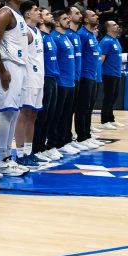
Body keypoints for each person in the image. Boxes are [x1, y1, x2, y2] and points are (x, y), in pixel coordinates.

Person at [0, 0, 29, 176]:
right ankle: (2, 160)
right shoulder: (5, 14)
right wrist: (2, 70)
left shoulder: (18, 15)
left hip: (19, 67)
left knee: (14, 113)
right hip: (9, 66)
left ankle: (8, 157)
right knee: (7, 112)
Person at [14, 0, 47, 168]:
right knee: (24, 114)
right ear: (28, 14)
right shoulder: (25, 32)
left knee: (33, 115)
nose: (39, 13)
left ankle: (29, 151)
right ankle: (20, 154)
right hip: (28, 78)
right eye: (36, 10)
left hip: (39, 77)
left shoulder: (37, 31)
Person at [33, 10, 62, 163]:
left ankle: (42, 147)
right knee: (41, 117)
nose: (51, 16)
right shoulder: (40, 36)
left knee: (50, 115)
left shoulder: (49, 36)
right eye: (47, 14)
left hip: (53, 78)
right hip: (44, 78)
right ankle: (36, 148)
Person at [50, 10, 79, 155]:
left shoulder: (66, 36)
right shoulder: (54, 37)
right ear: (56, 22)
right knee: (58, 115)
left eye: (68, 18)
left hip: (70, 82)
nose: (68, 20)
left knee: (67, 114)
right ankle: (55, 143)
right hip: (61, 82)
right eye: (64, 18)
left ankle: (65, 141)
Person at [73, 7, 103, 149]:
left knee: (89, 107)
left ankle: (87, 135)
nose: (96, 16)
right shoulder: (82, 34)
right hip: (84, 75)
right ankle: (81, 136)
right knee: (82, 107)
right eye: (93, 15)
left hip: (93, 75)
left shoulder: (92, 35)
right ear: (85, 19)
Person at [98, 20, 123, 129]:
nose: (117, 26)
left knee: (114, 97)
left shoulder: (115, 40)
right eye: (114, 25)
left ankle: (111, 119)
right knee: (108, 97)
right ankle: (104, 121)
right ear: (108, 28)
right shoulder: (106, 41)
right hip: (108, 74)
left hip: (116, 73)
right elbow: (101, 59)